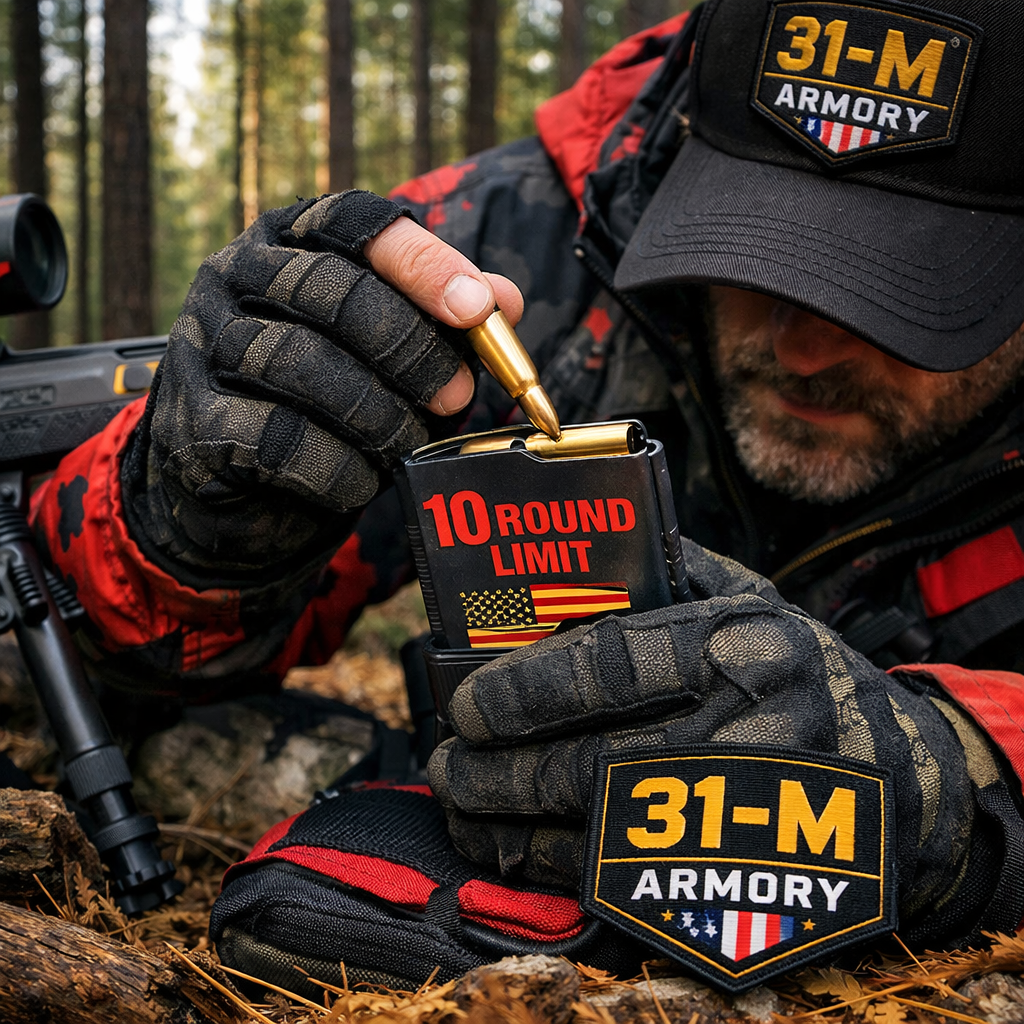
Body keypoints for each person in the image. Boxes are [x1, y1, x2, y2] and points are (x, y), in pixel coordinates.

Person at [31, 0, 1024, 969]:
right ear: (682, 152)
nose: (802, 349)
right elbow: (91, 650)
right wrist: (184, 523)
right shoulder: (501, 252)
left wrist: (956, 780)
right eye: (757, 254)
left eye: (900, 289)